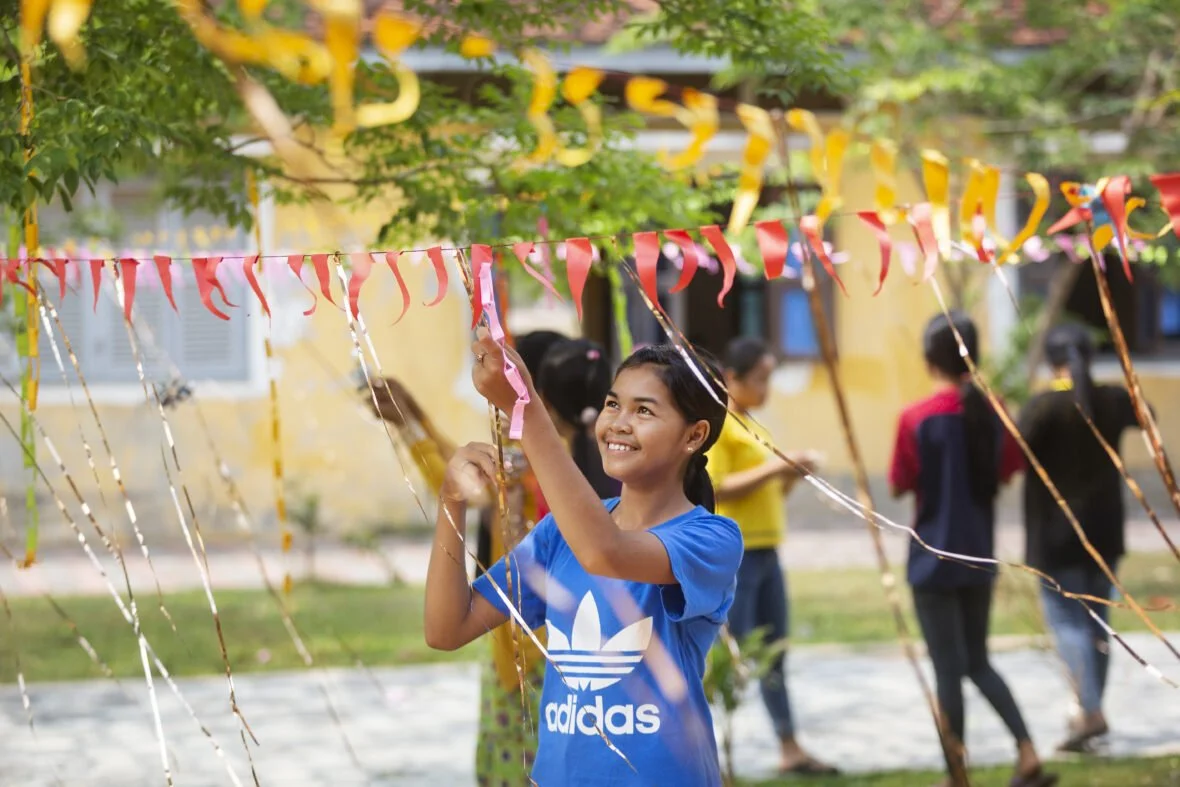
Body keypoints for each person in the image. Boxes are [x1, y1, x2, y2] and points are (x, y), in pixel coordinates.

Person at [425, 332, 742, 786]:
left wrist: (527, 410)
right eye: (614, 404)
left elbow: (605, 554)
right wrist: (451, 501)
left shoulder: (710, 538)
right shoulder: (559, 533)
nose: (618, 422)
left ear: (694, 435)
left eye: (644, 410)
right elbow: (446, 629)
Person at [889, 311, 1056, 787]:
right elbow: (1007, 470)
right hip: (978, 554)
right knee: (977, 661)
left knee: (948, 668)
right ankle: (1026, 752)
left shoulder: (916, 418)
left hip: (931, 560)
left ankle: (957, 774)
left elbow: (900, 483)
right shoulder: (994, 410)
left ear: (928, 361)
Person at [706, 337, 835, 776]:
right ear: (732, 379)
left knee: (774, 651)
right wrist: (778, 466)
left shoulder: (755, 425)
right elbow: (717, 487)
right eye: (759, 379)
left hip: (767, 549)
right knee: (731, 654)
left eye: (769, 379)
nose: (766, 388)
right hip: (736, 552)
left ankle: (789, 746)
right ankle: (709, 751)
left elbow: (772, 488)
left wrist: (791, 474)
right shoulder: (720, 425)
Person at [1019, 322, 1143, 754]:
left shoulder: (1041, 408)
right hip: (1105, 533)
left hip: (1055, 535)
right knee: (1097, 624)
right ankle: (1089, 708)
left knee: (1068, 622)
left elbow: (1013, 453)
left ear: (1050, 360)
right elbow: (1149, 415)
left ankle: (1088, 710)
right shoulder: (1111, 400)